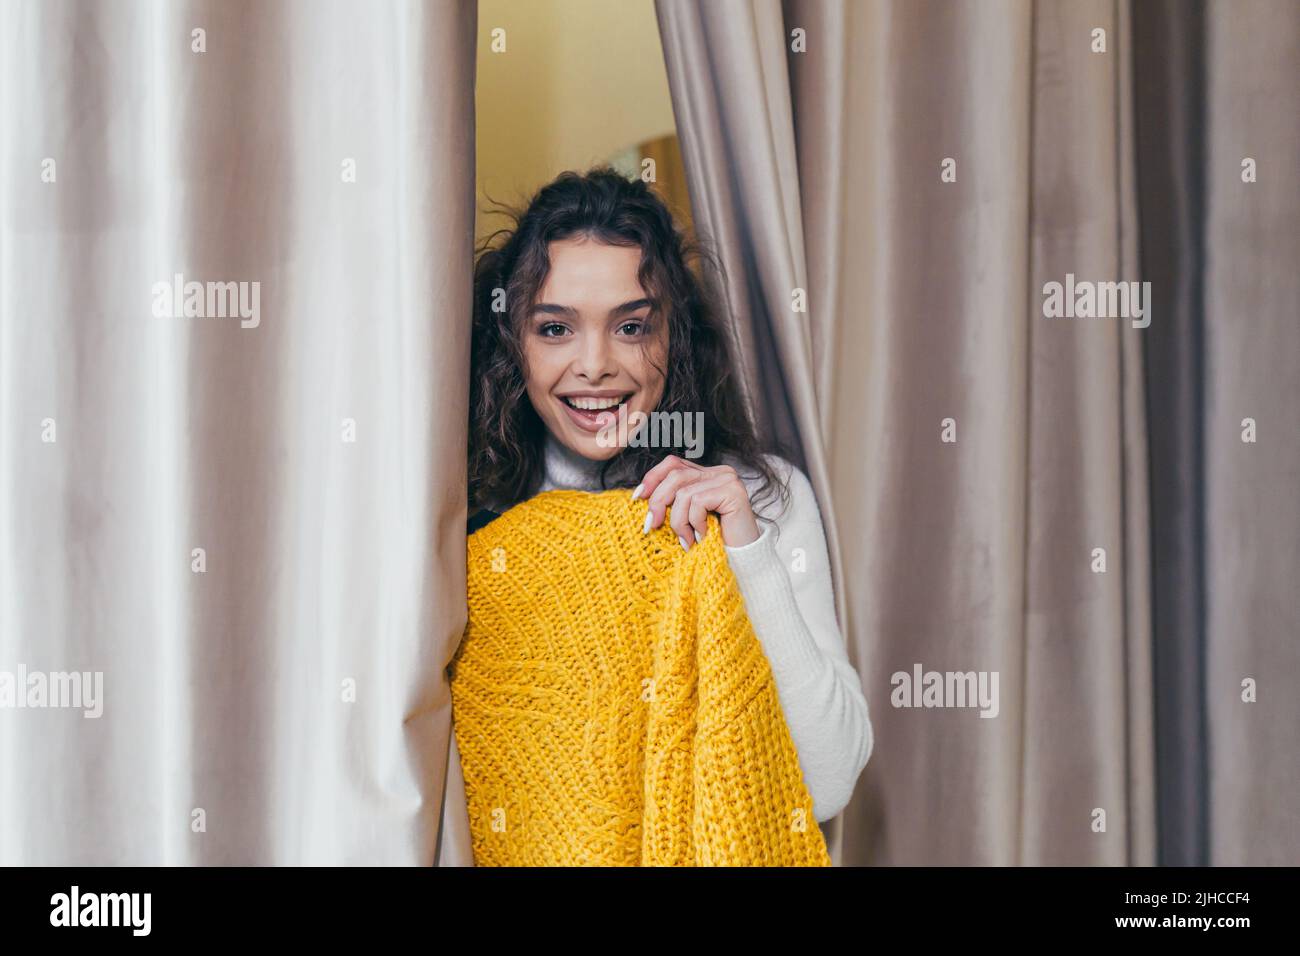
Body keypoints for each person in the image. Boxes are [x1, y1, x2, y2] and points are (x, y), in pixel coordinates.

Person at [466, 166, 872, 822]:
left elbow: (825, 785)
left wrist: (745, 548)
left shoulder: (762, 497)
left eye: (630, 327)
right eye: (554, 328)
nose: (595, 364)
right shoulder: (476, 523)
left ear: (673, 338)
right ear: (512, 342)